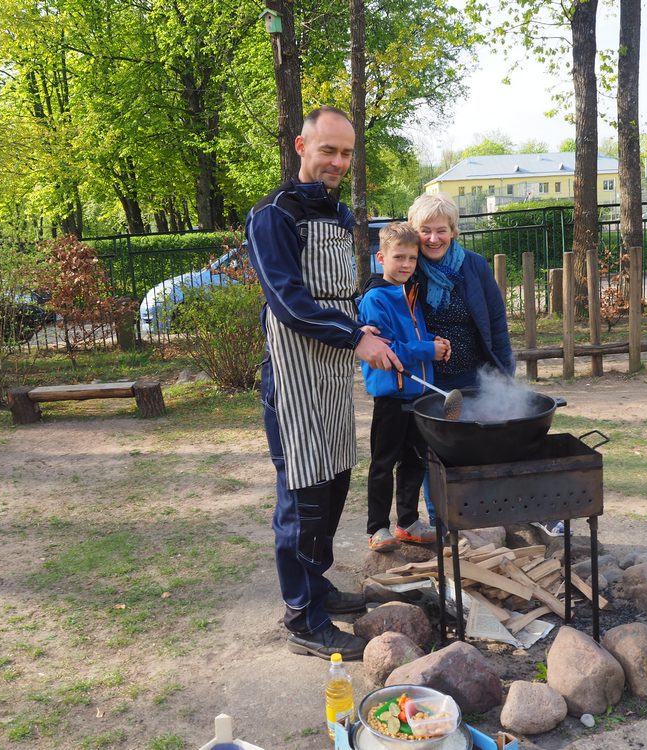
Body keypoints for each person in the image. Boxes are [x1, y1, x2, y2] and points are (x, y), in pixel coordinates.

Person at [245, 106, 402, 661]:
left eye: (346, 153)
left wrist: (360, 323)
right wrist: (353, 336)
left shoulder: (338, 215)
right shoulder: (273, 216)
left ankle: (318, 587)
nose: (338, 161)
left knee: (334, 480)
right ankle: (301, 618)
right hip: (294, 374)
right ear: (301, 146)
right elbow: (290, 303)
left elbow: (335, 293)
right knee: (303, 496)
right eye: (328, 150)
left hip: (331, 373)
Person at [407, 194, 562, 536]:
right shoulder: (409, 266)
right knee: (436, 452)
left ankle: (494, 515)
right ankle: (442, 521)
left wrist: (505, 377)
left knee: (493, 445)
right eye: (425, 230)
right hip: (430, 381)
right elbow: (382, 295)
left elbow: (495, 322)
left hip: (475, 375)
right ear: (414, 232)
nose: (433, 238)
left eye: (441, 230)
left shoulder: (473, 266)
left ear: (453, 231)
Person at [358, 222, 451, 553]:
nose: (407, 264)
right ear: (381, 258)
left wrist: (434, 342)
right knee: (383, 463)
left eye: (412, 258)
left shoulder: (410, 292)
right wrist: (428, 350)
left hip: (420, 394)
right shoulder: (375, 299)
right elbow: (388, 349)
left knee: (415, 460)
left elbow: (414, 337)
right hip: (391, 397)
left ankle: (408, 523)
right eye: (399, 257)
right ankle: (377, 528)